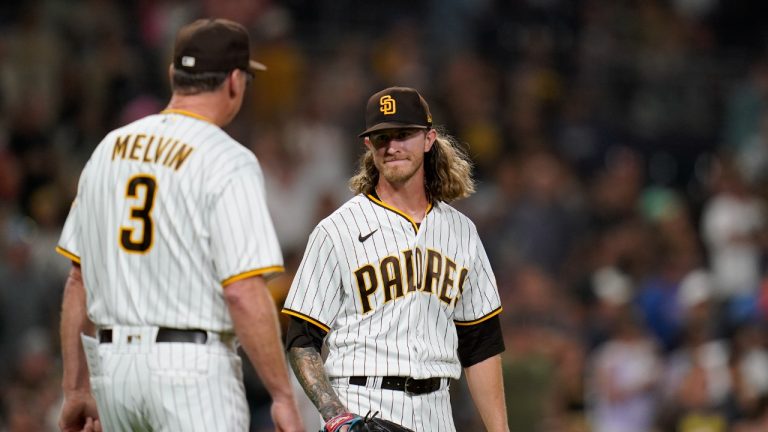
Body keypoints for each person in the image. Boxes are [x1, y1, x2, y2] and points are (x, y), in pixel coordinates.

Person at [56, 18, 304, 432]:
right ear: (234, 81)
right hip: (192, 370)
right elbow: (243, 291)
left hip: (113, 370)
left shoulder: (107, 150)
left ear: (174, 75)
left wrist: (76, 388)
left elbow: (77, 281)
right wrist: (282, 394)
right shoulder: (227, 159)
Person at [282, 86, 510, 431]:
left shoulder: (461, 232)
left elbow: (481, 344)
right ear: (368, 146)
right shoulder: (338, 229)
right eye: (382, 137)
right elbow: (301, 338)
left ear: (429, 139)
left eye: (403, 134)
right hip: (362, 403)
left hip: (437, 409)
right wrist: (335, 415)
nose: (392, 147)